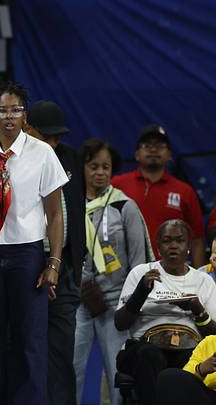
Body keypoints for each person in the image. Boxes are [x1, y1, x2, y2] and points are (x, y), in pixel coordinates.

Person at [0, 80, 68, 405]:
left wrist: (53, 263)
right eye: (3, 110)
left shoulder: (42, 153)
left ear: (24, 116)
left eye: (16, 110)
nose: (9, 116)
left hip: (28, 255)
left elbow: (56, 214)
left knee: (29, 341)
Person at [72, 138, 153, 405]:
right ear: (82, 168)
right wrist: (80, 284)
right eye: (93, 166)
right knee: (71, 370)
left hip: (116, 305)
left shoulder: (125, 206)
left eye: (106, 167)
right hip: (79, 302)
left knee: (118, 374)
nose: (100, 172)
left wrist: (130, 305)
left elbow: (139, 263)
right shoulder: (70, 206)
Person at [24, 100, 86, 405]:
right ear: (27, 128)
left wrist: (73, 265)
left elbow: (75, 213)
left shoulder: (71, 158)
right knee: (25, 352)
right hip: (24, 268)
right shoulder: (15, 161)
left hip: (63, 272)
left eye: (57, 136)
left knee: (62, 356)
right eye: (46, 135)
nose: (53, 142)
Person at [114, 219, 216, 405]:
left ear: (188, 246)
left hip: (189, 347)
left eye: (180, 240)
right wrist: (140, 293)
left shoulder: (204, 281)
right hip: (144, 345)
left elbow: (214, 336)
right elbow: (120, 323)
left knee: (194, 358)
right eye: (167, 241)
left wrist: (198, 310)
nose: (174, 246)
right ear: (158, 246)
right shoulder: (141, 273)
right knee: (150, 355)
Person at [111, 124, 206, 267]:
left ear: (169, 155)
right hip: (124, 272)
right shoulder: (117, 185)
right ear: (137, 154)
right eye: (147, 146)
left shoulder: (185, 191)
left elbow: (197, 240)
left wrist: (199, 279)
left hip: (172, 273)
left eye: (160, 145)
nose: (154, 149)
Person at [157, 335, 216, 404]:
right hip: (207, 398)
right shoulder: (210, 341)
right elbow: (185, 377)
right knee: (169, 376)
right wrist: (200, 369)